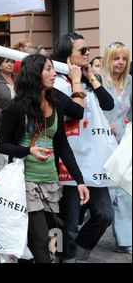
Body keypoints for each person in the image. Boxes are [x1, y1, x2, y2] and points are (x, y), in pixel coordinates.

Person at [0, 54, 90, 263]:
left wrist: (79, 180)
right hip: (26, 183)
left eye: (52, 69)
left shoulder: (55, 103)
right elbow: (2, 145)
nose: (54, 73)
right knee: (41, 240)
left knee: (52, 238)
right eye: (48, 69)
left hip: (51, 183)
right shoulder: (16, 107)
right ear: (34, 74)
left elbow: (63, 146)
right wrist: (28, 151)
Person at [53, 32, 115, 263]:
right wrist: (76, 80)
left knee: (105, 214)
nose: (88, 53)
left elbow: (108, 104)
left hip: (93, 162)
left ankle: (77, 253)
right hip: (69, 164)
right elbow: (74, 112)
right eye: (82, 51)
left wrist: (91, 77)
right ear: (67, 57)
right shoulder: (58, 83)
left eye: (88, 49)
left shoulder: (89, 80)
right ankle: (65, 257)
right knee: (68, 224)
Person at [99, 42, 132, 254]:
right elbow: (89, 111)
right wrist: (104, 123)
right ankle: (78, 233)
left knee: (125, 193)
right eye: (116, 58)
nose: (120, 63)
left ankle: (125, 240)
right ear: (108, 60)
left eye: (124, 59)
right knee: (104, 197)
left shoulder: (130, 82)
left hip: (124, 147)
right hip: (102, 146)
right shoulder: (98, 81)